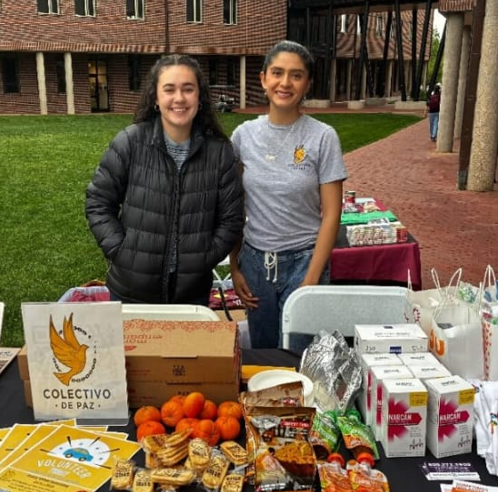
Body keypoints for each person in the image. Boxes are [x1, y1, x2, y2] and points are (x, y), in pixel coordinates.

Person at [84, 54, 244, 305]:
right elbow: (98, 202)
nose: (179, 98)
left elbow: (232, 219)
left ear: (199, 97)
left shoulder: (219, 152)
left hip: (191, 295)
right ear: (156, 98)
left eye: (188, 89)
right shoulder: (130, 142)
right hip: (130, 291)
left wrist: (205, 257)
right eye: (169, 89)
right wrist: (121, 251)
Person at [229, 41, 347, 349]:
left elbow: (332, 214)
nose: (285, 83)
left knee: (300, 357)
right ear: (263, 78)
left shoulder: (323, 137)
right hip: (255, 264)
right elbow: (234, 205)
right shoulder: (243, 136)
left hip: (305, 261)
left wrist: (310, 281)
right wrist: (235, 265)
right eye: (277, 73)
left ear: (307, 83)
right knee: (264, 356)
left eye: (296, 75)